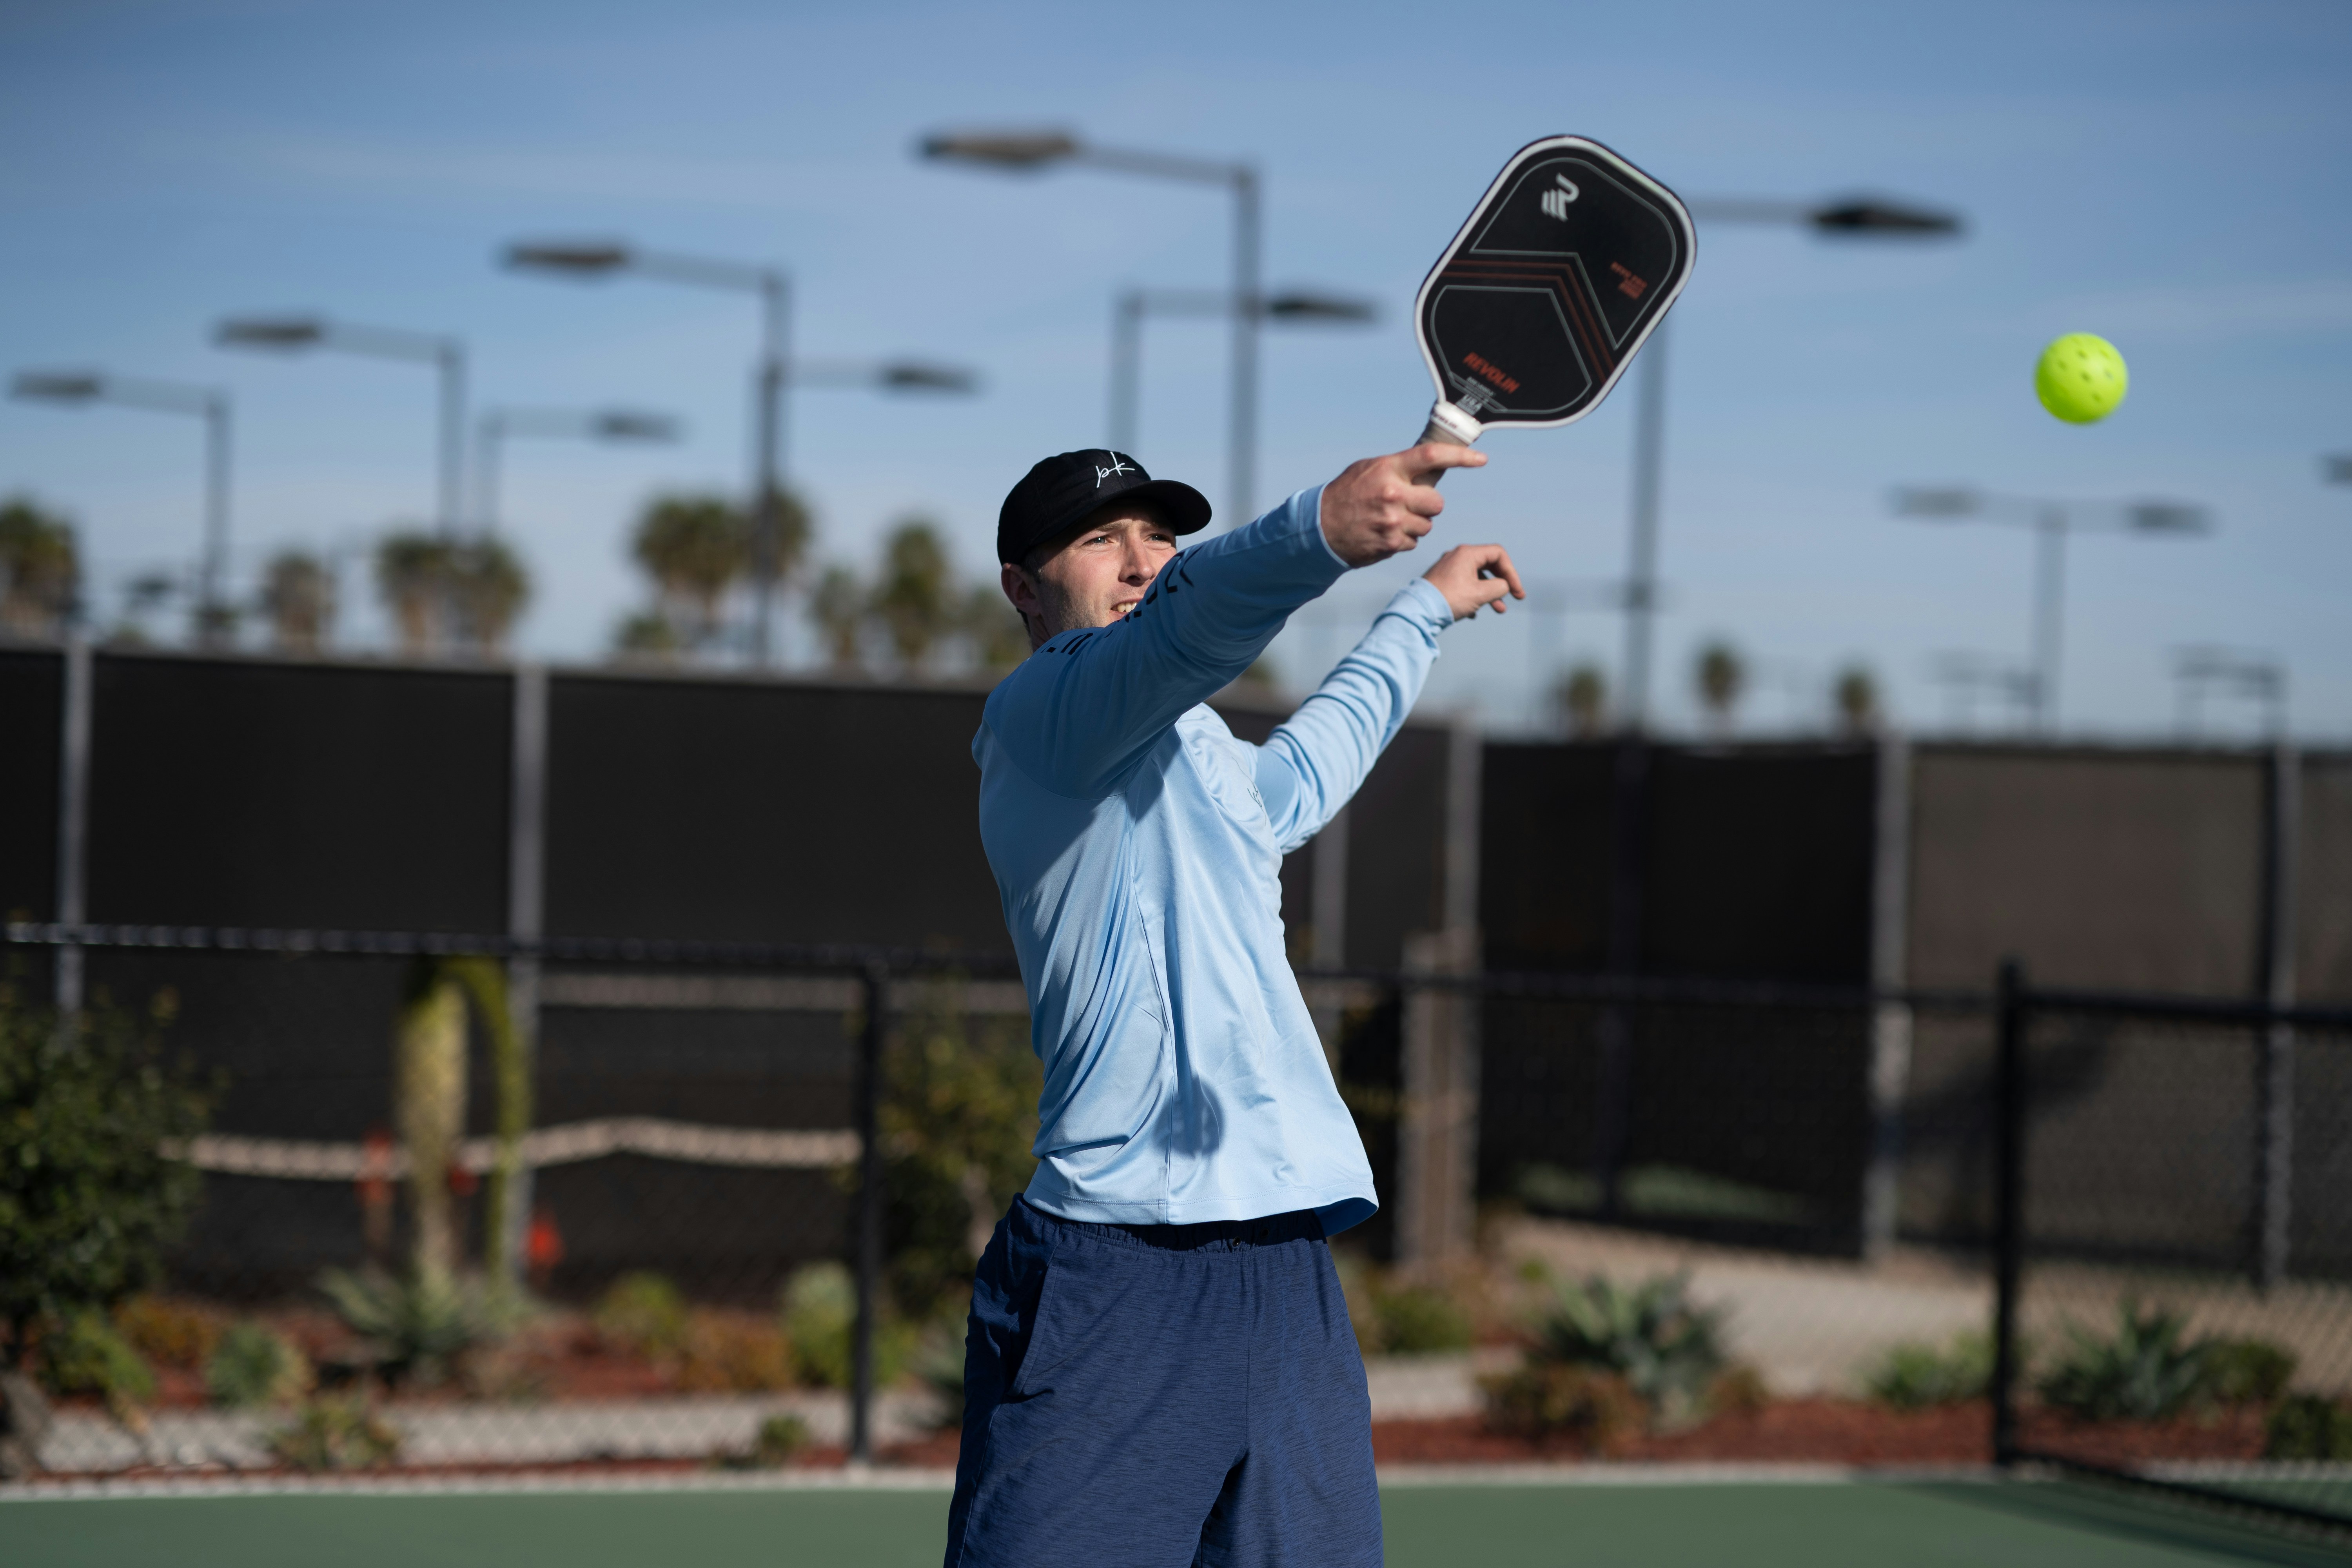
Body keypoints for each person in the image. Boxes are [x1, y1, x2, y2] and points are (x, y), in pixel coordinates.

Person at [948, 442, 1519, 1568]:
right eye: (1100, 539)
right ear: (1024, 585)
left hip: (1286, 1278)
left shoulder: (1190, 740)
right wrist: (1314, 529)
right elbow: (1185, 632)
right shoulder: (1043, 719)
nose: (1141, 561)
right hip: (1118, 1277)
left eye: (1158, 537)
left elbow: (1299, 780)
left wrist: (1421, 613)